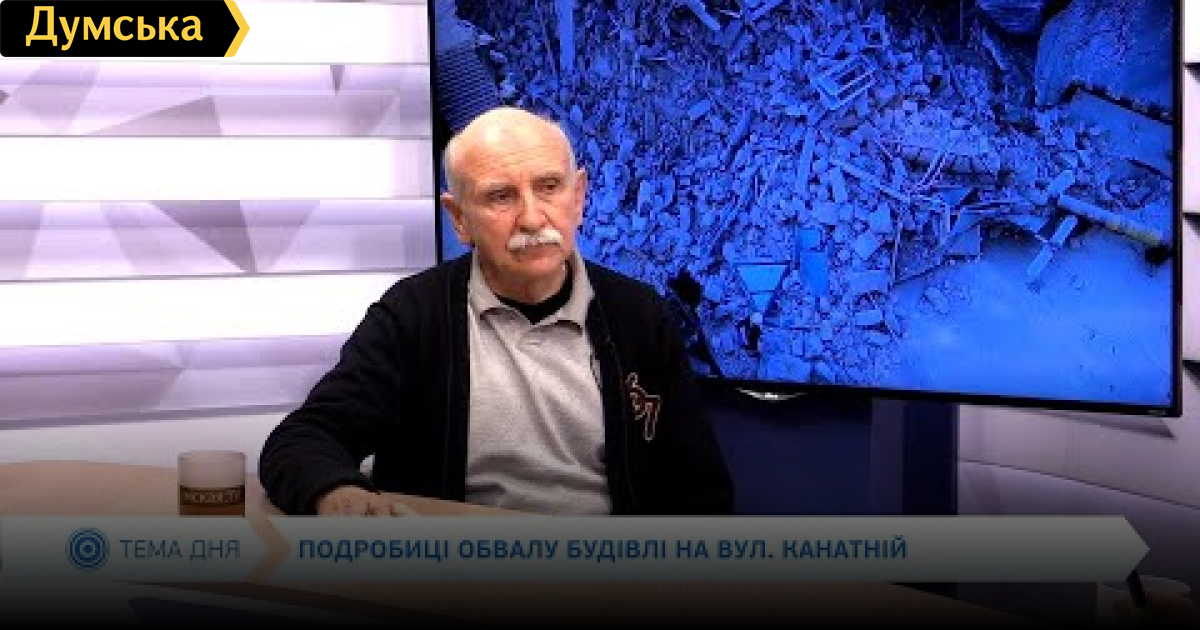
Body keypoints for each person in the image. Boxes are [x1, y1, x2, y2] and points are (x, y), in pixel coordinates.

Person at [259, 106, 734, 516]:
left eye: (549, 187)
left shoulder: (640, 317)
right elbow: (303, 440)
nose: (532, 218)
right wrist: (338, 493)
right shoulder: (413, 316)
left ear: (578, 197)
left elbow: (702, 491)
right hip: (454, 574)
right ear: (459, 218)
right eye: (500, 196)